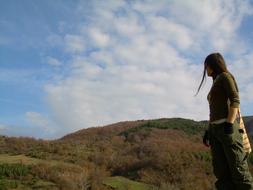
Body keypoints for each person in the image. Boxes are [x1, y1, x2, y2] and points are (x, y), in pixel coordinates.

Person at [196, 52, 253, 190]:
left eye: (207, 65)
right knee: (221, 173)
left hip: (227, 128)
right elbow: (214, 111)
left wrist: (229, 123)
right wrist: (209, 131)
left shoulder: (226, 77)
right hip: (216, 131)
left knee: (238, 169)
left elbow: (235, 100)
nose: (205, 69)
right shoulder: (216, 81)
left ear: (213, 64)